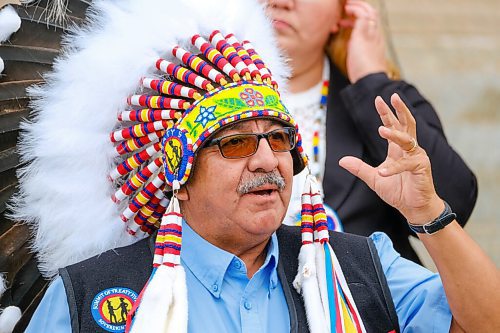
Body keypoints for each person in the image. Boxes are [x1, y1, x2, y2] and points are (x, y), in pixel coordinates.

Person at [16, 0, 499, 332]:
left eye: (279, 138)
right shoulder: (94, 298)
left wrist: (429, 212)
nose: (268, 160)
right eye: (234, 144)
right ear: (176, 173)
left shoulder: (357, 268)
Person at [265, 0, 478, 263]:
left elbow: (455, 205)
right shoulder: (203, 92)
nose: (281, 2)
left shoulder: (376, 97)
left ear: (343, 12)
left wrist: (370, 79)